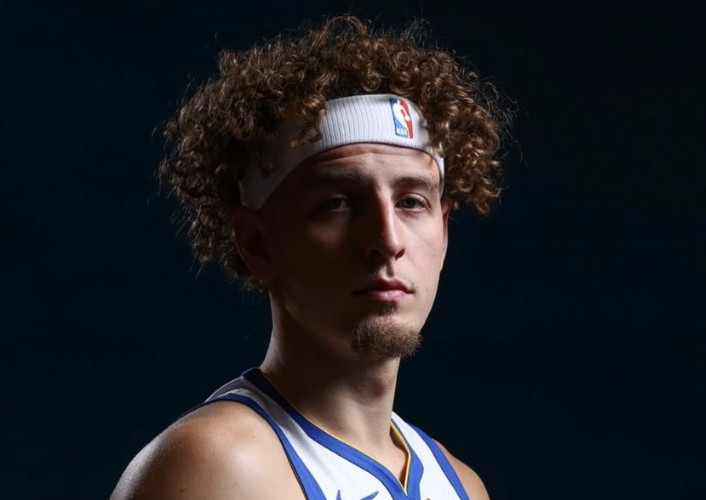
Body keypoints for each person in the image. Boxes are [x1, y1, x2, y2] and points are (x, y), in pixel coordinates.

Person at [110, 14, 510, 500]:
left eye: (411, 201)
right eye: (337, 203)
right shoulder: (216, 467)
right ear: (256, 243)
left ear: (443, 230)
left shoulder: (461, 485)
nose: (388, 239)